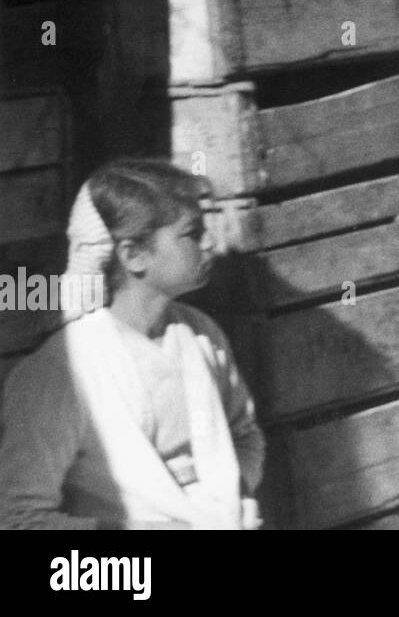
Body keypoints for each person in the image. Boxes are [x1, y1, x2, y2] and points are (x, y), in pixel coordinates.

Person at [0, 159, 264, 530]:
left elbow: (245, 434)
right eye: (192, 232)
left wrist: (232, 500)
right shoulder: (64, 370)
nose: (212, 243)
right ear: (133, 255)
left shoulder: (201, 334)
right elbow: (18, 519)